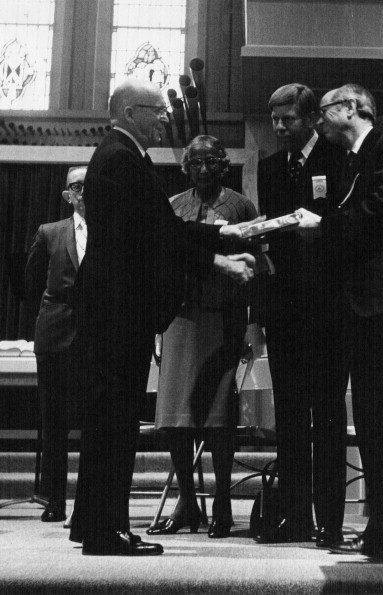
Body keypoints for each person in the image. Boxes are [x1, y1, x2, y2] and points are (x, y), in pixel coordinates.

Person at [69, 79, 255, 556]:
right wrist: (220, 255)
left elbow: (161, 230)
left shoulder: (118, 154)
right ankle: (107, 530)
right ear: (132, 112)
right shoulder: (121, 158)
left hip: (113, 308)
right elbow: (157, 234)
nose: (164, 120)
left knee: (107, 418)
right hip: (118, 310)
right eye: (157, 112)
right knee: (115, 420)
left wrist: (221, 236)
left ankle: (93, 522)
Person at [296, 83, 383, 556]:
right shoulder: (345, 163)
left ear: (354, 108)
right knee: (375, 425)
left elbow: (382, 211)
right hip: (363, 310)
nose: (317, 119)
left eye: (323, 110)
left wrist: (323, 227)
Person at [150, 135, 258, 539]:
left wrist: (249, 321)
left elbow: (254, 259)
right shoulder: (174, 206)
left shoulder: (241, 205)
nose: (202, 169)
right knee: (177, 418)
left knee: (218, 417)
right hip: (180, 317)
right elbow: (160, 259)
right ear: (185, 167)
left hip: (223, 317)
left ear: (223, 165)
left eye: (210, 162)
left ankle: (223, 504)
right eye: (194, 162)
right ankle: (188, 502)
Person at [256, 83, 350, 544]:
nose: (278, 127)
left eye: (286, 119)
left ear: (311, 118)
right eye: (274, 119)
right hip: (285, 311)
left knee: (328, 414)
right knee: (290, 415)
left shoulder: (337, 160)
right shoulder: (271, 166)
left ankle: (330, 521)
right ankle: (294, 516)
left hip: (327, 310)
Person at [24, 166, 87, 523]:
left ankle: (87, 502)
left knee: (96, 421)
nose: (85, 192)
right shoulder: (50, 232)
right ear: (67, 194)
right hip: (55, 333)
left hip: (95, 335)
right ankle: (55, 500)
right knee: (55, 421)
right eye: (78, 187)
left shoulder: (111, 229)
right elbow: (31, 285)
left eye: (91, 186)